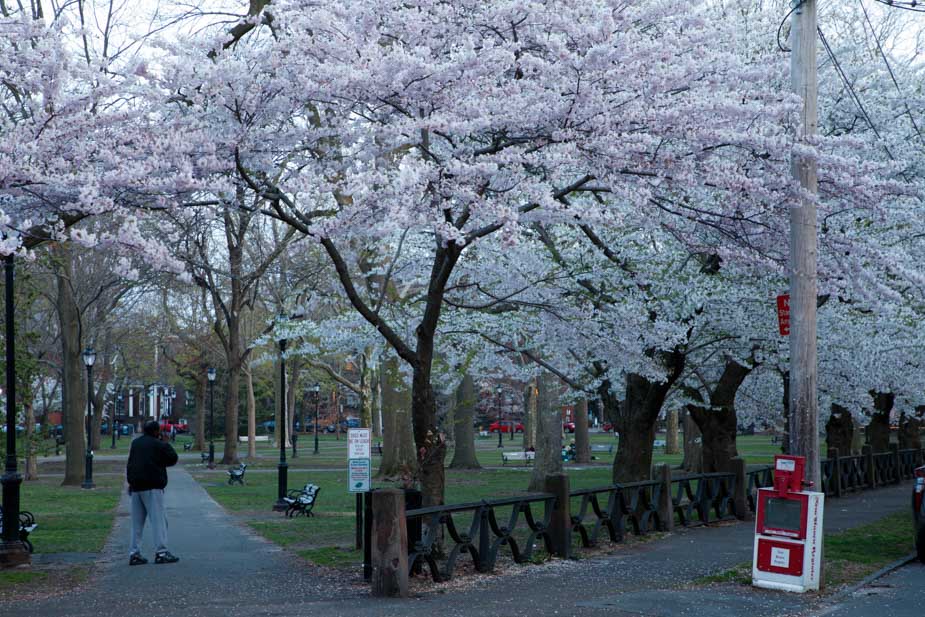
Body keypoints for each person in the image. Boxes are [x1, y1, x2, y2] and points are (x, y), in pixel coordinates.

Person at [126, 420, 179, 565]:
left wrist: (130, 482)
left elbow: (130, 464)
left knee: (137, 524)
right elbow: (173, 458)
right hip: (152, 487)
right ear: (157, 431)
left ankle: (134, 553)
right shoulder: (158, 444)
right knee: (159, 521)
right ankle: (161, 552)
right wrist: (166, 442)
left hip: (136, 486)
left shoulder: (136, 443)